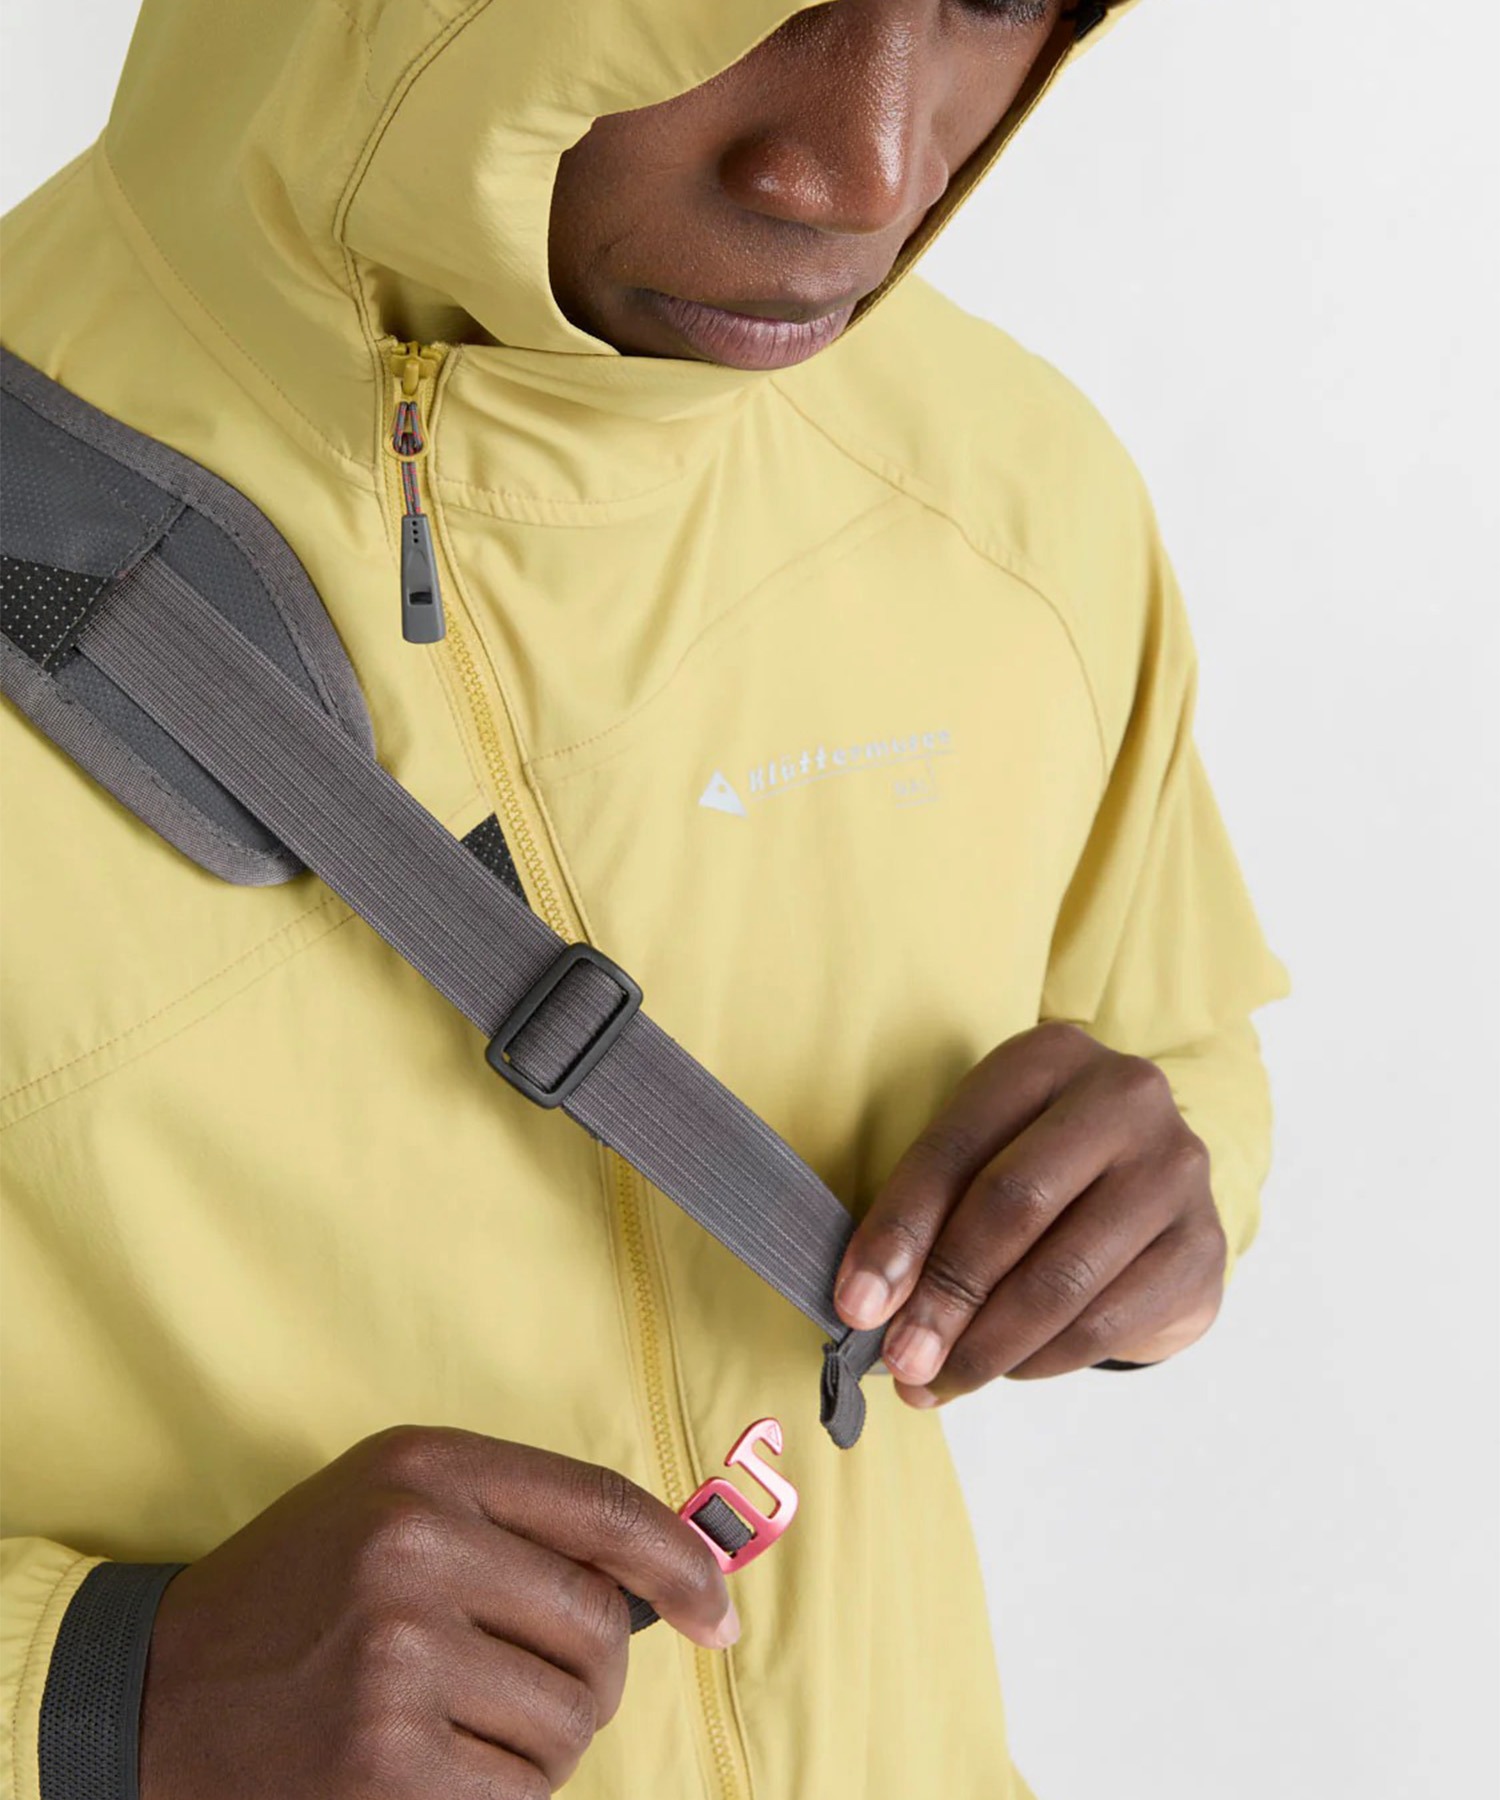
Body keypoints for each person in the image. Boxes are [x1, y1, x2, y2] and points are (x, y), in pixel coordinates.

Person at [0, 0, 1290, 1795]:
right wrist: (90, 1689)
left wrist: (1155, 1203)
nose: (867, 171)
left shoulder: (1006, 489)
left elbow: (1177, 1040)